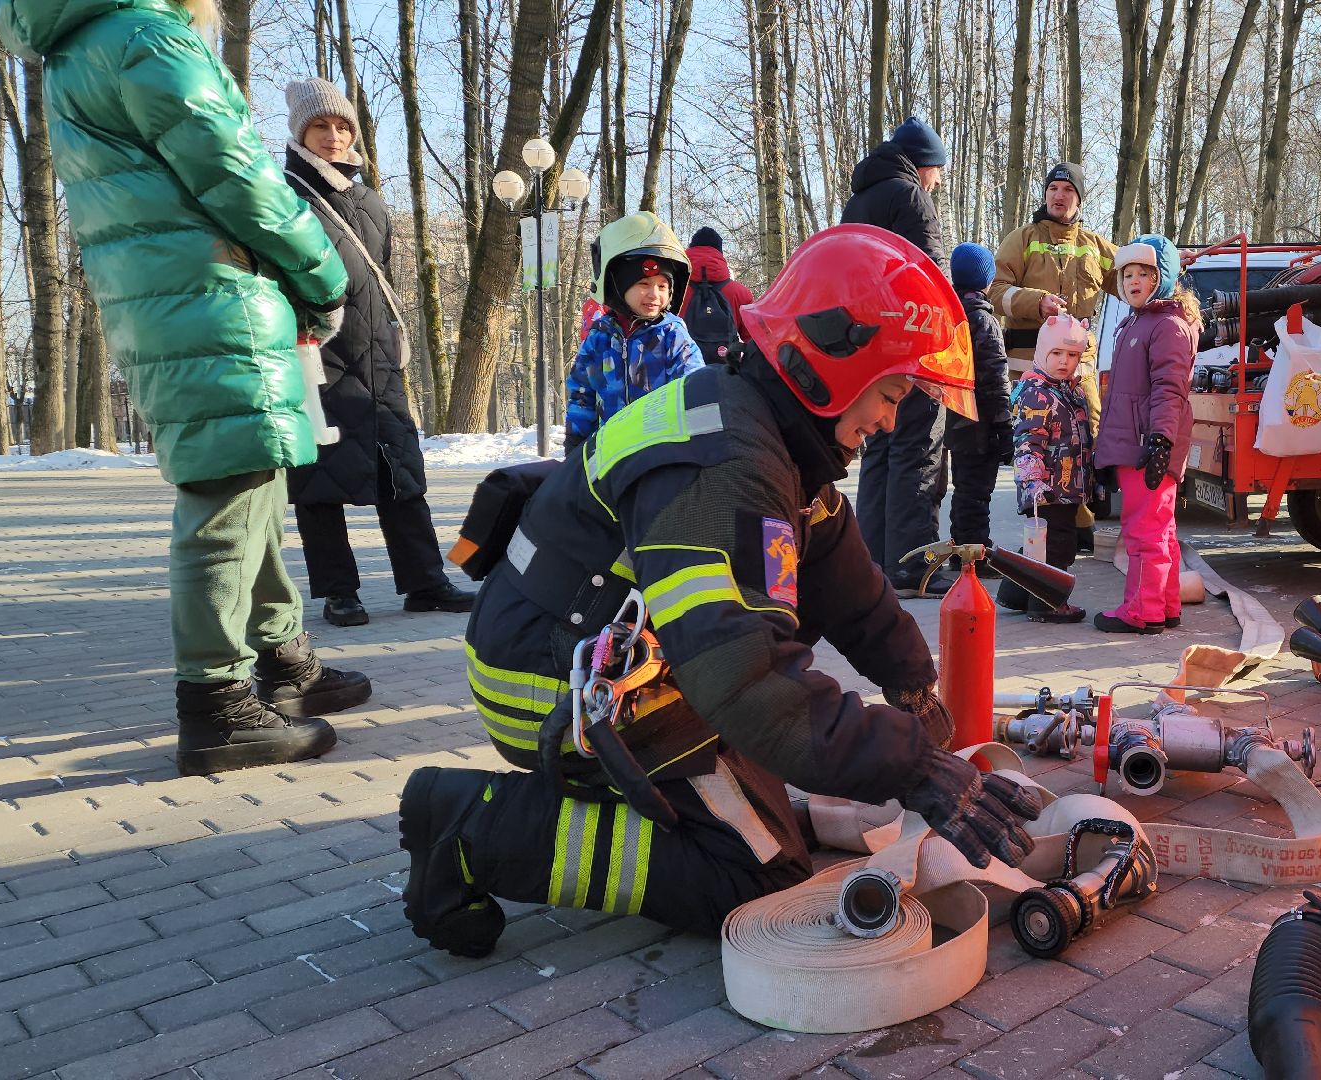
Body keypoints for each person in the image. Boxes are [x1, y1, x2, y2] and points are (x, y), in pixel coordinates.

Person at [398, 225, 1040, 951]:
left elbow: (843, 577)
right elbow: (748, 682)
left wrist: (914, 690)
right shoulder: (729, 469)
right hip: (547, 685)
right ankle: (472, 828)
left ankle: (667, 799)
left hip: (612, 651)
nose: (892, 418)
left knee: (771, 792)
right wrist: (913, 767)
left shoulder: (772, 433)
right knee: (754, 870)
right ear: (833, 363)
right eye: (892, 391)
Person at [0, 0, 370, 774]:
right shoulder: (143, 34)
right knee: (229, 496)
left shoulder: (81, 45)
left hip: (166, 292)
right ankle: (218, 707)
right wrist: (324, 273)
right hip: (213, 291)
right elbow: (234, 171)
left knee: (253, 483)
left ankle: (285, 663)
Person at [279, 79, 474, 628]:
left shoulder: (370, 201)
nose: (334, 137)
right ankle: (338, 591)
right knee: (320, 475)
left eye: (343, 127)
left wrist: (390, 335)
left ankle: (424, 580)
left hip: (377, 355)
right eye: (321, 127)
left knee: (401, 468)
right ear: (300, 133)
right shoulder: (282, 195)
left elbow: (380, 273)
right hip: (314, 352)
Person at [842, 116, 954, 595]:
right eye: (938, 171)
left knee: (881, 448)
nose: (939, 181)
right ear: (924, 163)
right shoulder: (911, 197)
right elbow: (931, 272)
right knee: (918, 447)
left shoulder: (858, 201)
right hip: (911, 343)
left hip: (869, 347)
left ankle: (874, 565)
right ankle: (913, 566)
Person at [987, 163, 1118, 553]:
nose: (1059, 196)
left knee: (1083, 441)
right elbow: (995, 290)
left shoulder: (1095, 246)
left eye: (1067, 190)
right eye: (1053, 188)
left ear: (1079, 198)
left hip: (1081, 366)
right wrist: (1036, 301)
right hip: (1031, 364)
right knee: (1040, 446)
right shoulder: (1023, 239)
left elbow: (1135, 275)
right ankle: (1043, 529)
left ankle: (1079, 525)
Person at [1094, 236, 1200, 635]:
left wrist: (1160, 441)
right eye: (1128, 274)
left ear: (1164, 277)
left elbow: (1169, 390)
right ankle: (1165, 605)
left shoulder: (1168, 326)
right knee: (1160, 529)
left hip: (1148, 445)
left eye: (1144, 273)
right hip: (1136, 443)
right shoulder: (1137, 322)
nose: (1134, 281)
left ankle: (1142, 612)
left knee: (1144, 531)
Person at [564, 212, 702, 452]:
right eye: (643, 284)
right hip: (610, 452)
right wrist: (576, 445)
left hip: (661, 452)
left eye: (662, 286)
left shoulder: (672, 337)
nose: (654, 295)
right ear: (618, 286)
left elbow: (694, 389)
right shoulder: (600, 339)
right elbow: (582, 394)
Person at [999, 315, 1093, 623]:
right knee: (1056, 547)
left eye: (1072, 355)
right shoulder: (1037, 393)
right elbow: (1028, 442)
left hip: (1066, 487)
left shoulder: (1069, 391)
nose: (1064, 361)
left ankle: (1016, 594)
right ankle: (1047, 604)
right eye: (1057, 354)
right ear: (1042, 352)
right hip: (1047, 489)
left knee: (1041, 544)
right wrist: (1034, 482)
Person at [946, 243, 1013, 565]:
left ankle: (963, 549)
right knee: (977, 493)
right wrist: (1004, 425)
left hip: (955, 420)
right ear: (987, 281)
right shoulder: (984, 321)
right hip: (980, 422)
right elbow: (995, 376)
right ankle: (973, 554)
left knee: (964, 489)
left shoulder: (948, 316)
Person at [679, 226, 756, 366]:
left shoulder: (671, 290)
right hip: (727, 377)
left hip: (682, 378)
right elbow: (754, 341)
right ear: (720, 253)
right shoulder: (740, 293)